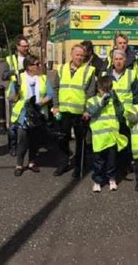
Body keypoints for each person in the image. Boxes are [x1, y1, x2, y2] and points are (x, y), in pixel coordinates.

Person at [52, 45, 96, 177]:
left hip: (80, 113)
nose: (79, 57)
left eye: (82, 55)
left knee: (80, 141)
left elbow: (91, 92)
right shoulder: (62, 68)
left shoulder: (89, 70)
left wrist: (87, 110)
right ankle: (63, 164)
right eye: (77, 54)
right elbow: (56, 87)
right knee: (62, 138)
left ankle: (79, 166)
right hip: (63, 111)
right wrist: (56, 105)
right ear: (71, 55)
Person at [9, 55, 53, 176]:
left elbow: (50, 94)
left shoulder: (43, 78)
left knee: (35, 141)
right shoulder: (19, 79)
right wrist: (16, 91)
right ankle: (19, 164)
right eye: (37, 64)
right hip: (24, 114)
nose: (40, 66)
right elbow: (12, 99)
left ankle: (31, 162)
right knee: (22, 141)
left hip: (38, 114)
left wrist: (40, 103)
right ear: (29, 67)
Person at [84, 76, 127, 192]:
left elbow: (120, 112)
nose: (106, 92)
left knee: (111, 161)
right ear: (98, 89)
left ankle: (111, 179)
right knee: (98, 162)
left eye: (109, 89)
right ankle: (97, 181)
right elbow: (90, 112)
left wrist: (116, 100)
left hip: (112, 137)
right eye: (104, 89)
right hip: (99, 138)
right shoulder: (92, 100)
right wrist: (101, 104)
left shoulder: (112, 101)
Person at [104, 49, 138, 176]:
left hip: (126, 115)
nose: (118, 62)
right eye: (116, 59)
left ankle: (125, 165)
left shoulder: (132, 74)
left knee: (125, 140)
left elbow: (136, 95)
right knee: (111, 141)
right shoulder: (105, 75)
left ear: (125, 61)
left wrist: (135, 112)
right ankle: (113, 166)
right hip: (110, 114)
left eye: (121, 59)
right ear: (112, 61)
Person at [1, 35, 31, 156]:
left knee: (27, 122)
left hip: (28, 93)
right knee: (13, 123)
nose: (26, 48)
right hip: (15, 94)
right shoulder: (10, 59)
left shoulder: (30, 58)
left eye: (27, 46)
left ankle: (26, 145)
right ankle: (12, 146)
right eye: (24, 46)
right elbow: (4, 76)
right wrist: (15, 71)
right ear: (17, 47)